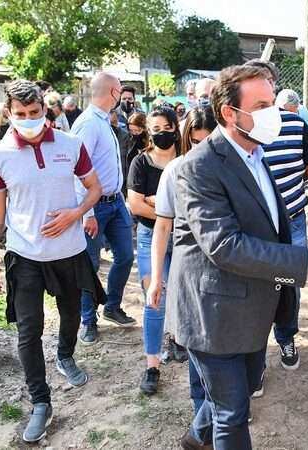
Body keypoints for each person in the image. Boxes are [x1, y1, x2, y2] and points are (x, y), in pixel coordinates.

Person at [164, 65, 308, 450]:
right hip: (213, 313)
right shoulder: (199, 167)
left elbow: (267, 227)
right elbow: (224, 246)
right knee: (233, 413)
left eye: (273, 102)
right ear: (230, 113)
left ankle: (196, 439)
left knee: (234, 393)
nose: (272, 112)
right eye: (262, 105)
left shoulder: (255, 154)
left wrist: (305, 256)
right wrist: (305, 263)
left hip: (252, 305)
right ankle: (204, 437)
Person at [0, 79, 103, 443]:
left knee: (70, 314)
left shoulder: (71, 145)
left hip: (68, 252)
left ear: (45, 111)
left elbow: (94, 187)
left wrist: (77, 212)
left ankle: (66, 355)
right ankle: (40, 402)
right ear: (9, 114)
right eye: (21, 115)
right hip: (25, 254)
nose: (29, 120)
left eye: (35, 113)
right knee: (28, 329)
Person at [244, 59, 308, 386]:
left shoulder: (295, 125)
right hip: (250, 228)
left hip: (292, 222)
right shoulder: (235, 132)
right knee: (251, 288)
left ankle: (286, 336)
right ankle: (253, 355)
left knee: (288, 284)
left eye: (267, 83)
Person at [146, 105, 217, 412]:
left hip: (226, 270)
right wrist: (157, 279)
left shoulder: (235, 169)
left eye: (209, 141)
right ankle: (202, 407)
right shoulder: (175, 171)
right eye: (196, 142)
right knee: (196, 341)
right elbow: (162, 225)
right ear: (188, 139)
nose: (203, 149)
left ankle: (223, 404)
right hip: (189, 270)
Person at [72, 72, 137, 344]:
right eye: (120, 91)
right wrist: (86, 212)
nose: (122, 97)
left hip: (115, 202)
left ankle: (112, 306)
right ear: (112, 92)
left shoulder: (103, 121)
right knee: (90, 264)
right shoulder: (88, 124)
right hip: (94, 207)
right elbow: (76, 171)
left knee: (124, 256)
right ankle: (88, 320)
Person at [126, 106, 182, 395]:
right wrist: (167, 208)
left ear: (175, 127)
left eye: (166, 128)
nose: (162, 134)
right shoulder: (141, 163)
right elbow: (134, 204)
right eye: (155, 130)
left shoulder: (186, 159)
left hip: (183, 238)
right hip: (150, 237)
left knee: (179, 293)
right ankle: (152, 365)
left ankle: (176, 339)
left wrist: (155, 203)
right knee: (154, 298)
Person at [108, 109, 134, 198]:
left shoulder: (125, 136)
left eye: (114, 123)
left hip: (122, 179)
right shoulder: (100, 137)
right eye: (110, 124)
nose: (113, 127)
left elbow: (128, 158)